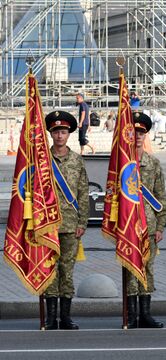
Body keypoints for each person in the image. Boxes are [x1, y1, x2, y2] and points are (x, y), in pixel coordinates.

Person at [43, 110, 90, 330]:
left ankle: (66, 317)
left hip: (71, 224)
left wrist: (83, 223)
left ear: (69, 133)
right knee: (49, 270)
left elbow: (83, 192)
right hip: (48, 224)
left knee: (67, 270)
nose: (60, 135)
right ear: (51, 134)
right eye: (56, 132)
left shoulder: (76, 160)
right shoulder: (42, 160)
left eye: (63, 131)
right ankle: (51, 318)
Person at [125, 111, 166, 329]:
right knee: (131, 269)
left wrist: (160, 226)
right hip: (128, 226)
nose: (139, 136)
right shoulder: (123, 165)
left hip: (149, 225)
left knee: (148, 269)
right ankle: (132, 315)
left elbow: (161, 197)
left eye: (142, 132)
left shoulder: (154, 164)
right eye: (135, 132)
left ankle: (145, 314)